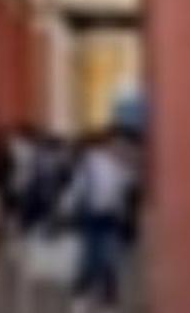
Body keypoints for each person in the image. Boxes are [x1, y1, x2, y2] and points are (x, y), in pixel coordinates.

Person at [64, 127, 138, 312]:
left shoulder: (105, 165)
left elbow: (76, 190)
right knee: (103, 258)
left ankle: (87, 298)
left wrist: (65, 209)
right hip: (103, 217)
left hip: (98, 217)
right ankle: (102, 299)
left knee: (93, 258)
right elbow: (128, 185)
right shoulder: (103, 165)